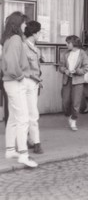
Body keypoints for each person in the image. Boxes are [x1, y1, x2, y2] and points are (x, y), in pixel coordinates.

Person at [1, 11, 38, 168]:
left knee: (14, 118)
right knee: (23, 118)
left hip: (10, 82)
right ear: (17, 24)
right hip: (16, 82)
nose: (25, 26)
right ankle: (23, 154)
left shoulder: (8, 39)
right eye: (24, 23)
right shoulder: (16, 39)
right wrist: (21, 77)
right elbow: (12, 62)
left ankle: (10, 149)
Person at [59, 35, 88, 131]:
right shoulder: (65, 53)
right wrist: (65, 70)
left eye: (68, 43)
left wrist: (77, 71)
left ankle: (73, 119)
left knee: (76, 103)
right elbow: (60, 66)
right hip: (67, 80)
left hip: (78, 81)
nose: (66, 44)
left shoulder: (83, 54)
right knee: (65, 102)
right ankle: (69, 115)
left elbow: (86, 68)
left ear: (74, 43)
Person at [23, 20, 44, 154]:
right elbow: (22, 67)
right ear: (34, 33)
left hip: (34, 83)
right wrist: (35, 77)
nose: (40, 35)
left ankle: (29, 140)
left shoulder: (34, 47)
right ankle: (36, 142)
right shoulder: (23, 46)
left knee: (30, 113)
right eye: (39, 32)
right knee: (31, 113)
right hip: (27, 82)